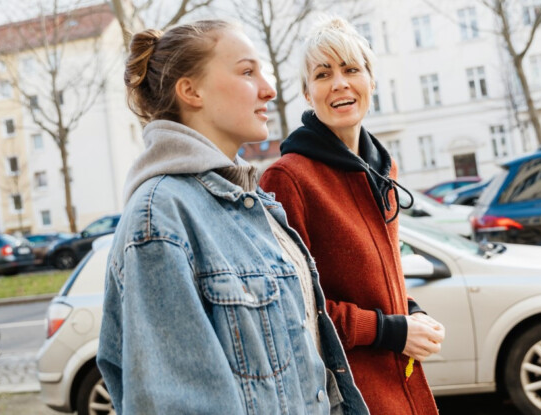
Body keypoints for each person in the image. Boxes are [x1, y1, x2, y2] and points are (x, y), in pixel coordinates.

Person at [97, 20, 368, 415]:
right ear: (191, 91)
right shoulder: (160, 218)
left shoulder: (253, 203)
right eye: (246, 72)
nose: (269, 89)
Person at [260, 17, 445, 415]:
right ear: (307, 93)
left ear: (371, 81)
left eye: (350, 69)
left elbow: (377, 279)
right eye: (323, 74)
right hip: (345, 395)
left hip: (401, 383)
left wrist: (410, 312)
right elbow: (293, 309)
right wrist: (392, 331)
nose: (339, 83)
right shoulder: (288, 178)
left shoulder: (383, 170)